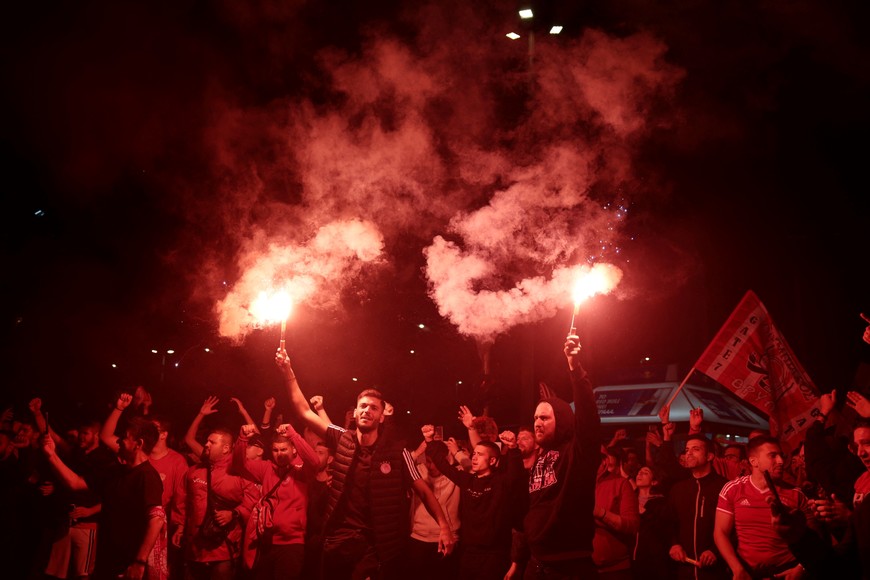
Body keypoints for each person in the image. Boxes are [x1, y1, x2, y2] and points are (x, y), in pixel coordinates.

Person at [276, 348, 455, 579]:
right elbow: (303, 411)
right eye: (363, 406)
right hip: (338, 539)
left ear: (382, 416)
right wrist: (288, 371)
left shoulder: (397, 452)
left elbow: (424, 491)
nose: (367, 410)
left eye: (373, 407)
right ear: (355, 412)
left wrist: (444, 527)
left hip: (375, 544)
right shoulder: (343, 438)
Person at [43, 415, 167, 580]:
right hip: (106, 560)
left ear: (138, 444)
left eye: (124, 437)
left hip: (127, 566)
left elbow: (156, 520)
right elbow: (75, 483)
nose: (118, 441)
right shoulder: (115, 471)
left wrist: (139, 562)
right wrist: (51, 456)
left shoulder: (148, 476)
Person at [521, 332, 601, 578]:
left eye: (544, 418)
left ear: (563, 420)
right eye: (535, 418)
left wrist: (575, 369)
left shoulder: (577, 452)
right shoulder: (540, 458)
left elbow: (588, 416)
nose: (537, 423)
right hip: (536, 564)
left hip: (568, 567)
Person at [425, 428, 524, 579]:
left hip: (495, 555)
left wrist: (513, 448)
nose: (474, 457)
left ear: (492, 461)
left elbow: (516, 475)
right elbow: (442, 465)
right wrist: (429, 440)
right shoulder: (467, 480)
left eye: (480, 454)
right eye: (474, 453)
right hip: (468, 552)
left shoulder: (501, 482)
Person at [714, 435, 815, 579]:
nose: (780, 461)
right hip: (748, 572)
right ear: (753, 461)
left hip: (787, 572)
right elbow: (720, 532)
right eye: (773, 456)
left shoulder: (796, 494)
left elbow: (816, 535)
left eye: (781, 455)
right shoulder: (733, 489)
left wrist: (801, 568)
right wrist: (737, 569)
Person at [233, 422, 318, 580]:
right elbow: (239, 464)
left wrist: (293, 435)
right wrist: (243, 439)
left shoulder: (300, 470)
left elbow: (315, 462)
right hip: (266, 542)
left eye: (284, 449)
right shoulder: (267, 468)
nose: (279, 454)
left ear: (293, 449)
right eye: (275, 450)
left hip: (292, 543)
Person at [172, 428, 256, 580]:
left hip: (223, 549)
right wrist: (179, 526)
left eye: (212, 442)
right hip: (194, 548)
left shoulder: (240, 472)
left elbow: (253, 501)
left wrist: (234, 513)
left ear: (225, 448)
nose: (206, 444)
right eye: (207, 441)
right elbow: (182, 500)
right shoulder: (193, 471)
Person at [664, 434, 729, 580]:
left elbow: (735, 528)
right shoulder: (678, 489)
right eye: (687, 450)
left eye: (696, 449)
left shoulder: (725, 487)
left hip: (716, 571)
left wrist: (715, 551)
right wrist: (674, 544)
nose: (689, 453)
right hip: (684, 569)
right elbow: (670, 523)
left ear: (709, 456)